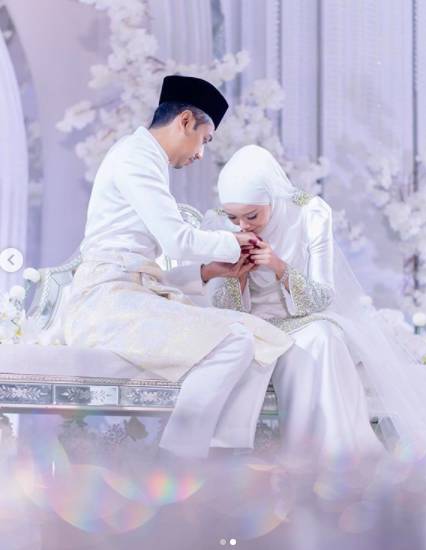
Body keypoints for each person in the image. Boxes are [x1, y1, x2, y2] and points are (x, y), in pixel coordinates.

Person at [200, 144, 426, 502]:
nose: (243, 226)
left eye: (252, 216)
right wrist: (237, 275)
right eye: (235, 218)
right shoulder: (219, 224)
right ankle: (267, 473)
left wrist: (279, 267)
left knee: (322, 338)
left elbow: (322, 297)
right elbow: (223, 309)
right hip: (250, 326)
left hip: (303, 320)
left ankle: (331, 467)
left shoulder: (309, 213)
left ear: (272, 200)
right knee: (248, 343)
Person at [63, 77, 292, 460]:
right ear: (185, 120)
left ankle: (221, 453)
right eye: (205, 139)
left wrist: (209, 272)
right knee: (237, 341)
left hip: (125, 295)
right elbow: (176, 241)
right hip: (104, 303)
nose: (201, 153)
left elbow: (143, 270)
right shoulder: (135, 158)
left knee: (256, 339)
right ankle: (182, 458)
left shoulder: (144, 158)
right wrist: (234, 242)